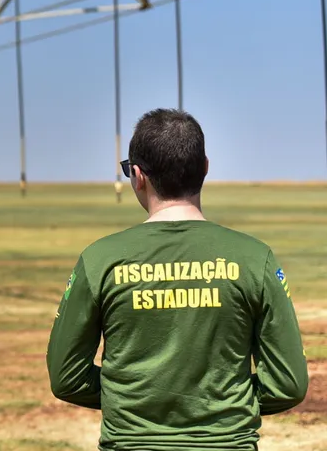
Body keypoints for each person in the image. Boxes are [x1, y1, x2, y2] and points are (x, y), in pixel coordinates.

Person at [46, 108, 308, 450]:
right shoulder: (255, 259)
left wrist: (130, 398)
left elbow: (67, 378)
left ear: (137, 176)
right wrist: (220, 404)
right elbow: (289, 384)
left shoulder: (100, 260)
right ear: (205, 168)